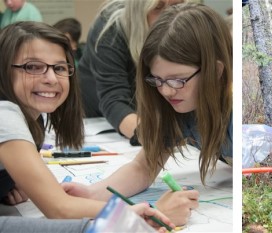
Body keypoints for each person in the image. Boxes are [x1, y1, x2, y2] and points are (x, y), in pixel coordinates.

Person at [60, 3, 231, 226]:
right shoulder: (178, 107)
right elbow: (143, 166)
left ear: (216, 71)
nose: (166, 91)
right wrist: (92, 193)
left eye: (178, 80)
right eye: (157, 80)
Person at [0, 21, 173, 230]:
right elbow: (59, 209)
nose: (51, 78)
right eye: (33, 67)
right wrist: (128, 213)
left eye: (60, 68)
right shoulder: (5, 114)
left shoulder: (33, 117)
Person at [79, 0, 183, 124]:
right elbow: (113, 97)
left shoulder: (184, 27)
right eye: (157, 7)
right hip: (99, 117)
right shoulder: (111, 29)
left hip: (147, 115)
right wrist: (155, 138)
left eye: (175, 6)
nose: (167, 15)